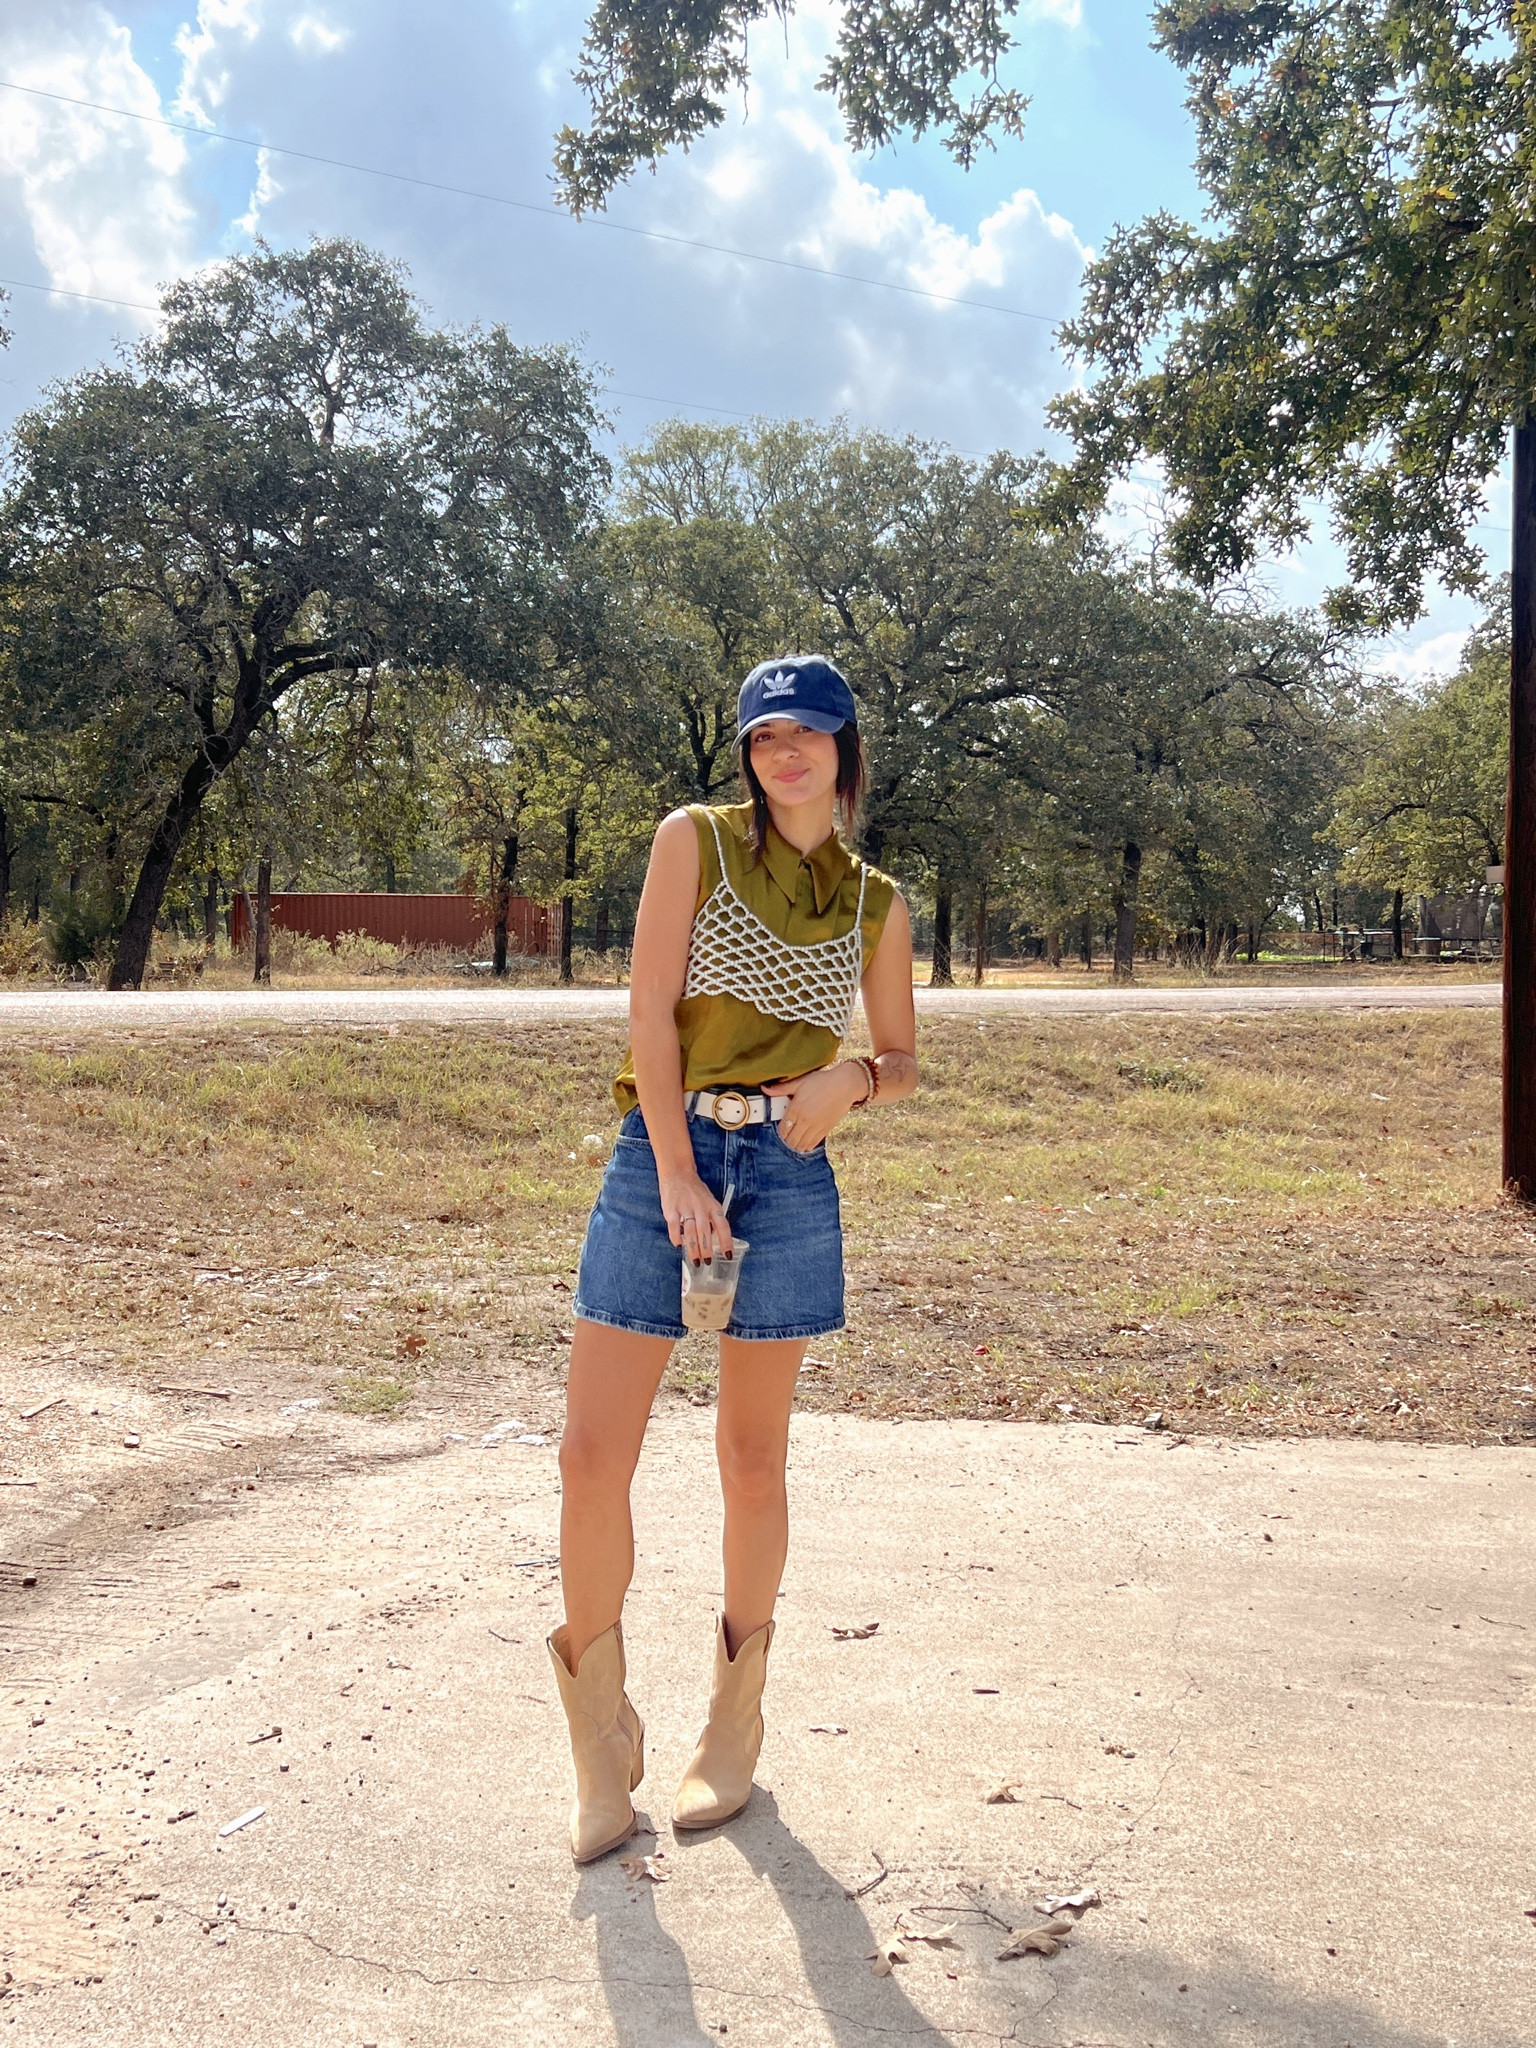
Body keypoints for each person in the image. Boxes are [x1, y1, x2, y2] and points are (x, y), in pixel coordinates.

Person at [546, 653, 918, 1863]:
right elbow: (649, 1008)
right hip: (663, 1157)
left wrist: (853, 1078)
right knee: (592, 1454)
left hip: (790, 1176)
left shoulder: (875, 901)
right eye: (765, 737)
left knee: (752, 1459)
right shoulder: (692, 841)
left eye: (808, 733)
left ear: (845, 750)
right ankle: (601, 1746)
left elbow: (905, 1056)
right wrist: (672, 1171)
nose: (785, 752)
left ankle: (731, 1732)